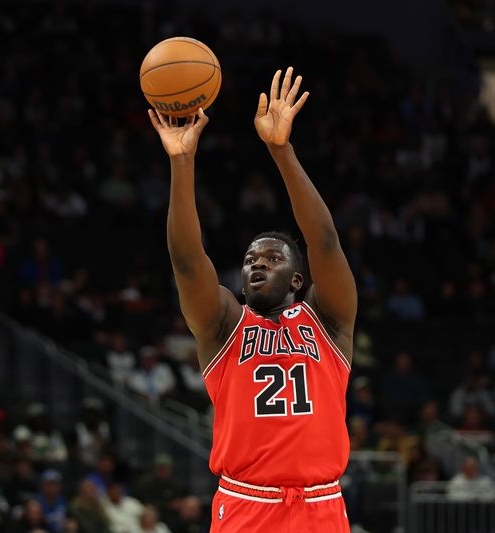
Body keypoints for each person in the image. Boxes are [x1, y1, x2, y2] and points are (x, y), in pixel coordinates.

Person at [148, 66, 356, 532]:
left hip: (322, 504)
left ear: (299, 280)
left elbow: (323, 242)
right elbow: (186, 260)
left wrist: (281, 151)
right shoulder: (224, 323)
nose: (256, 264)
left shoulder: (330, 321)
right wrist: (182, 163)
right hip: (247, 505)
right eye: (249, 260)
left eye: (272, 258)